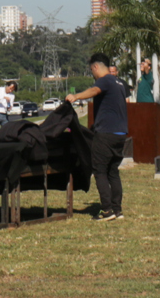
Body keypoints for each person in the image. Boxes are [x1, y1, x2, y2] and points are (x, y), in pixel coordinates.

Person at [66, 53, 129, 220]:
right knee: (113, 172)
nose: (93, 74)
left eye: (92, 70)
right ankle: (117, 210)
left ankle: (107, 210)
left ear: (95, 67)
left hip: (106, 133)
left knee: (99, 170)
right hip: (120, 134)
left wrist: (76, 96)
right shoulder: (120, 83)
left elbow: (94, 90)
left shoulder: (105, 80)